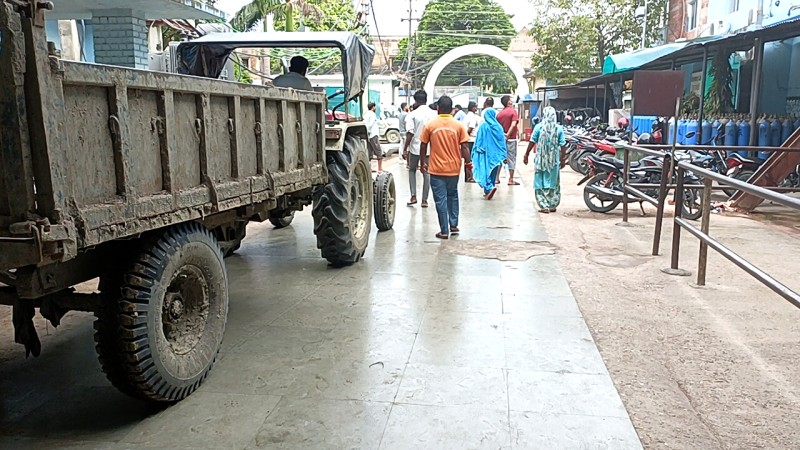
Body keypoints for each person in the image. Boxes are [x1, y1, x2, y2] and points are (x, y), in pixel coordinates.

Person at [419, 96, 472, 240]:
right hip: (454, 168)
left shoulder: (430, 125)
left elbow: (423, 145)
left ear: (438, 108)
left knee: (440, 199)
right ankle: (453, 224)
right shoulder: (459, 126)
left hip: (436, 169)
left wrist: (423, 162)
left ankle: (444, 230)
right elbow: (465, 147)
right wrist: (469, 164)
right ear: (452, 109)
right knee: (453, 195)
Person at [524, 106, 566, 214]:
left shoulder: (539, 127)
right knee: (553, 182)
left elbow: (532, 141)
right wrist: (563, 159)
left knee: (540, 182)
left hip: (540, 161)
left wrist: (526, 154)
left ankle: (544, 206)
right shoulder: (559, 129)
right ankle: (552, 204)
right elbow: (563, 146)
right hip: (553, 161)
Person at [402, 91, 437, 207]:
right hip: (429, 148)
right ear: (426, 99)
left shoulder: (412, 115)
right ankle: (424, 200)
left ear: (415, 100)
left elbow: (410, 133)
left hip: (415, 147)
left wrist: (405, 148)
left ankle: (413, 196)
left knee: (412, 170)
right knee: (426, 173)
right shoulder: (434, 114)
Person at [472, 108, 506, 201]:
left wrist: (476, 150)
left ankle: (489, 188)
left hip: (485, 153)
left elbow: (479, 140)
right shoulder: (498, 127)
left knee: (485, 171)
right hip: (496, 155)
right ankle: (489, 189)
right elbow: (502, 141)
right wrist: (504, 153)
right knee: (493, 171)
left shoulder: (484, 126)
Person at [497, 95, 520, 186]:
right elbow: (513, 124)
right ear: (509, 102)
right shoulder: (513, 112)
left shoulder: (499, 114)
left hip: (500, 139)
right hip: (511, 139)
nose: (512, 102)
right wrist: (508, 134)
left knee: (500, 158)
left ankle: (496, 178)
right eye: (511, 100)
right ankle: (511, 179)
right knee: (511, 158)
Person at [463, 101, 482, 183]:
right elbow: (470, 129)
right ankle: (470, 177)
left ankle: (467, 177)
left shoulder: (466, 116)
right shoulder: (473, 117)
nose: (477, 108)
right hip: (471, 140)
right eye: (476, 107)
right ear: (473, 107)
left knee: (466, 159)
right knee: (471, 160)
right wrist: (467, 137)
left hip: (466, 140)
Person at [364, 102, 383, 172]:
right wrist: (369, 131)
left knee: (369, 151)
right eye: (375, 107)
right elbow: (371, 124)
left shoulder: (366, 114)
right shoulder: (372, 114)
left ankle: (369, 168)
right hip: (373, 135)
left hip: (368, 135)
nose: (376, 108)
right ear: (373, 107)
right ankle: (380, 168)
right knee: (378, 151)